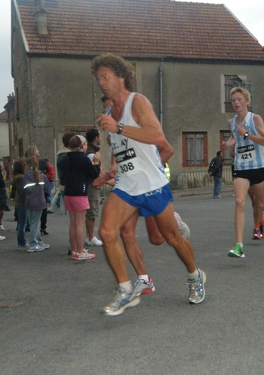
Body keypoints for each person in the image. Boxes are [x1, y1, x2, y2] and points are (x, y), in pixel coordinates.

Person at [92, 53, 206, 316]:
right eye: (98, 78)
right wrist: (110, 172)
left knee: (169, 238)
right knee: (108, 231)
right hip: (127, 186)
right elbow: (122, 153)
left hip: (152, 184)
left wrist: (118, 127)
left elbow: (157, 136)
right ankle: (125, 290)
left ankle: (195, 276)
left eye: (106, 77)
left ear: (121, 76)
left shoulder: (137, 102)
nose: (101, 82)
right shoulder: (109, 112)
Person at [221, 87, 264, 257]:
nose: (236, 102)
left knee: (259, 204)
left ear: (247, 102)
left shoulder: (255, 118)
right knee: (240, 202)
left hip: (258, 167)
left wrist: (247, 134)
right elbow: (236, 135)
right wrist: (228, 144)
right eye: (233, 100)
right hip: (241, 167)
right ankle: (239, 246)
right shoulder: (231, 122)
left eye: (239, 99)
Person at [64, 135, 101, 260]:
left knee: (73, 223)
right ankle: (80, 251)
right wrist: (96, 163)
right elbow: (94, 173)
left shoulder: (67, 157)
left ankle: (74, 249)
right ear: (82, 145)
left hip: (69, 192)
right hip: (80, 192)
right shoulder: (83, 158)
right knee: (79, 224)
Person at [23, 156, 50, 253]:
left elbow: (23, 190)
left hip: (28, 202)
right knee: (35, 223)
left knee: (32, 223)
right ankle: (34, 243)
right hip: (39, 202)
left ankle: (38, 241)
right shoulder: (41, 175)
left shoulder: (25, 176)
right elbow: (47, 189)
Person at [84, 128, 105, 247]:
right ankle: (90, 236)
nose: (100, 138)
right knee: (92, 211)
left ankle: (89, 236)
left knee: (92, 211)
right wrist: (109, 180)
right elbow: (96, 171)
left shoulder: (91, 152)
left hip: (92, 185)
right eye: (100, 136)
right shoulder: (91, 154)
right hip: (92, 186)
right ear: (96, 138)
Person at [24, 145, 50, 236]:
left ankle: (27, 228)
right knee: (39, 215)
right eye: (37, 150)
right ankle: (40, 232)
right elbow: (48, 170)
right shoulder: (41, 165)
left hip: (28, 196)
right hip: (40, 193)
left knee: (31, 218)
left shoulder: (24, 166)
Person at [11, 159, 28, 250]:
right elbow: (23, 191)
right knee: (23, 223)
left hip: (18, 202)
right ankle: (21, 242)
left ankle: (21, 242)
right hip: (23, 202)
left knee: (21, 222)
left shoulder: (16, 178)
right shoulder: (22, 178)